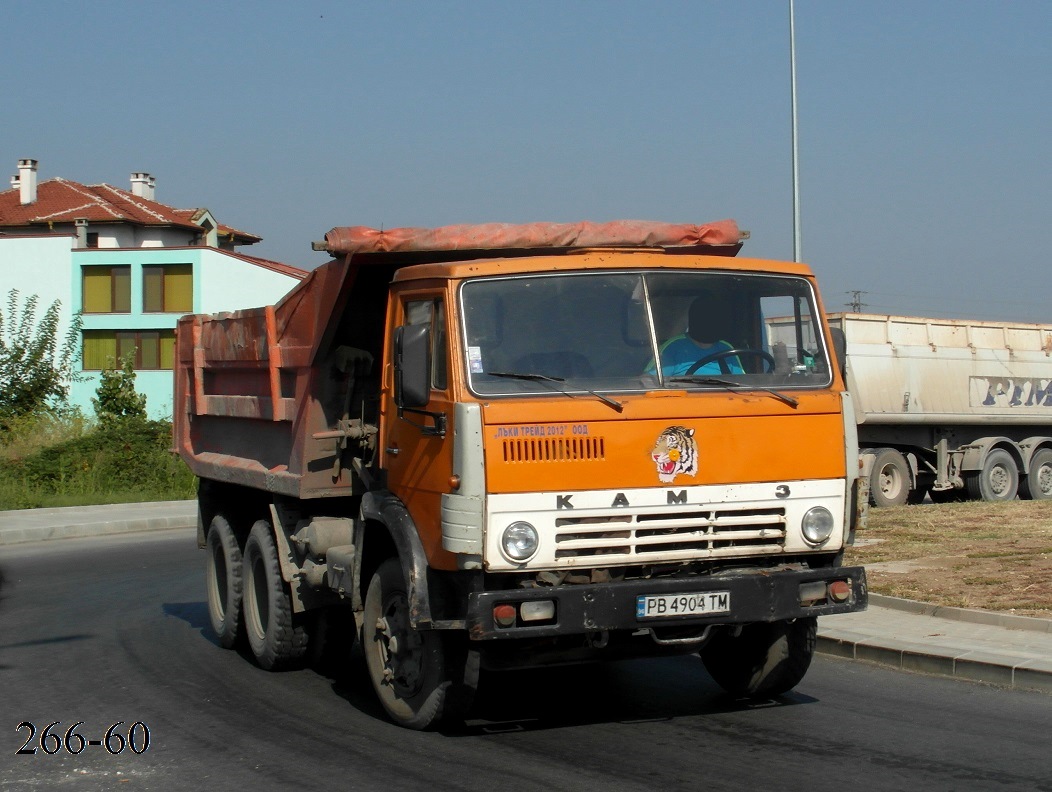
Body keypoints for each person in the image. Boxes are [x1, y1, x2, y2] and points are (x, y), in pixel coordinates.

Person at [646, 294, 744, 377]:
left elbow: (742, 383)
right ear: (694, 319)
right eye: (704, 317)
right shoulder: (673, 346)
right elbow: (648, 381)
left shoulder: (726, 348)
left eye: (714, 319)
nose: (709, 323)